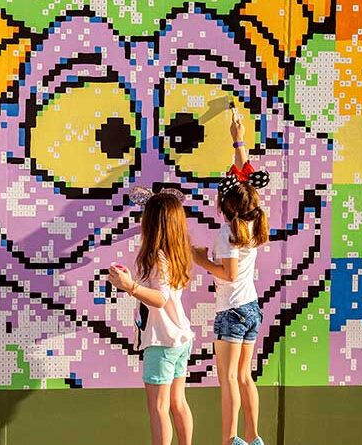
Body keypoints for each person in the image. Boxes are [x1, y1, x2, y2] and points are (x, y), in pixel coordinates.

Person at [192, 113, 270, 445]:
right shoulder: (252, 220)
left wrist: (201, 260)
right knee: (245, 377)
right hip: (251, 307)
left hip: (232, 311)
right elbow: (247, 181)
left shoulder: (227, 234)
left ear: (225, 206)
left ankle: (229, 440)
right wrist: (238, 140)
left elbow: (229, 273)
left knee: (228, 381)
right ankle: (253, 438)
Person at [108, 189, 195, 445]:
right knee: (177, 402)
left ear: (153, 223)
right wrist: (131, 282)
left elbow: (160, 298)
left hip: (162, 341)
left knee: (158, 408)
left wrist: (130, 286)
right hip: (179, 338)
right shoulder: (175, 252)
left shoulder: (158, 256)